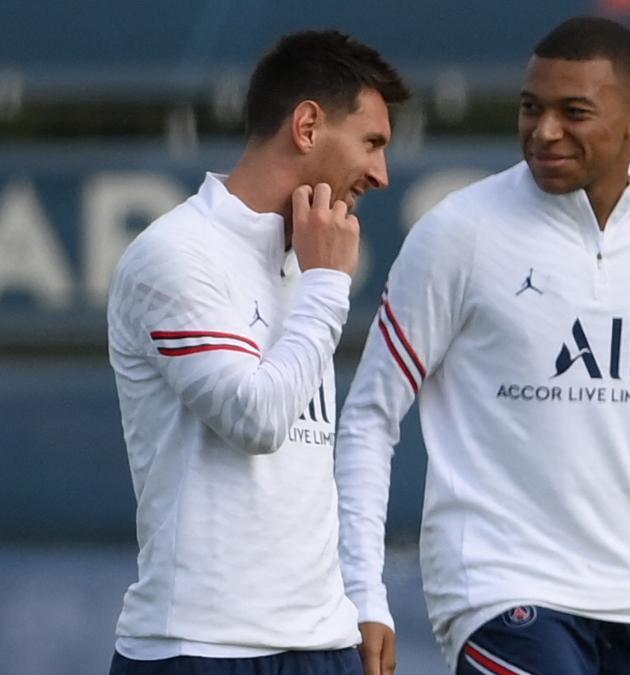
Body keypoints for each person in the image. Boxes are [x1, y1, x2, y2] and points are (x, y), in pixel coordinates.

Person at [336, 16, 630, 675]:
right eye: (531, 107)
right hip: (499, 585)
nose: (544, 130)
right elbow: (368, 417)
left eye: (573, 111)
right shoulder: (457, 232)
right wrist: (363, 590)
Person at [105, 30, 407, 675]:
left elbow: (312, 466)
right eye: (372, 142)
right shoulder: (175, 255)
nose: (381, 174)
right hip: (200, 649)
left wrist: (361, 598)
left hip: (325, 644)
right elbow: (258, 420)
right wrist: (328, 285)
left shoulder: (308, 254)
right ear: (307, 125)